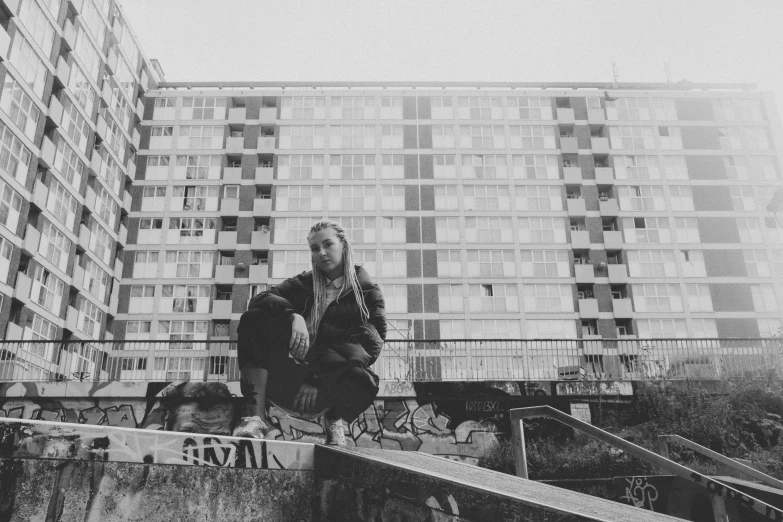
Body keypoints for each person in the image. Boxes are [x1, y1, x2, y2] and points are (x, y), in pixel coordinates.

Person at [233, 220, 386, 446]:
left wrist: (316, 376)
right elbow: (259, 300)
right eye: (315, 249)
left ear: (343, 245)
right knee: (254, 319)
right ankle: (256, 419)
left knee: (362, 379)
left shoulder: (367, 293)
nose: (322, 253)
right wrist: (291, 315)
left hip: (329, 383)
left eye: (328, 245)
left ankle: (334, 420)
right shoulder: (304, 283)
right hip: (289, 375)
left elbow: (369, 346)